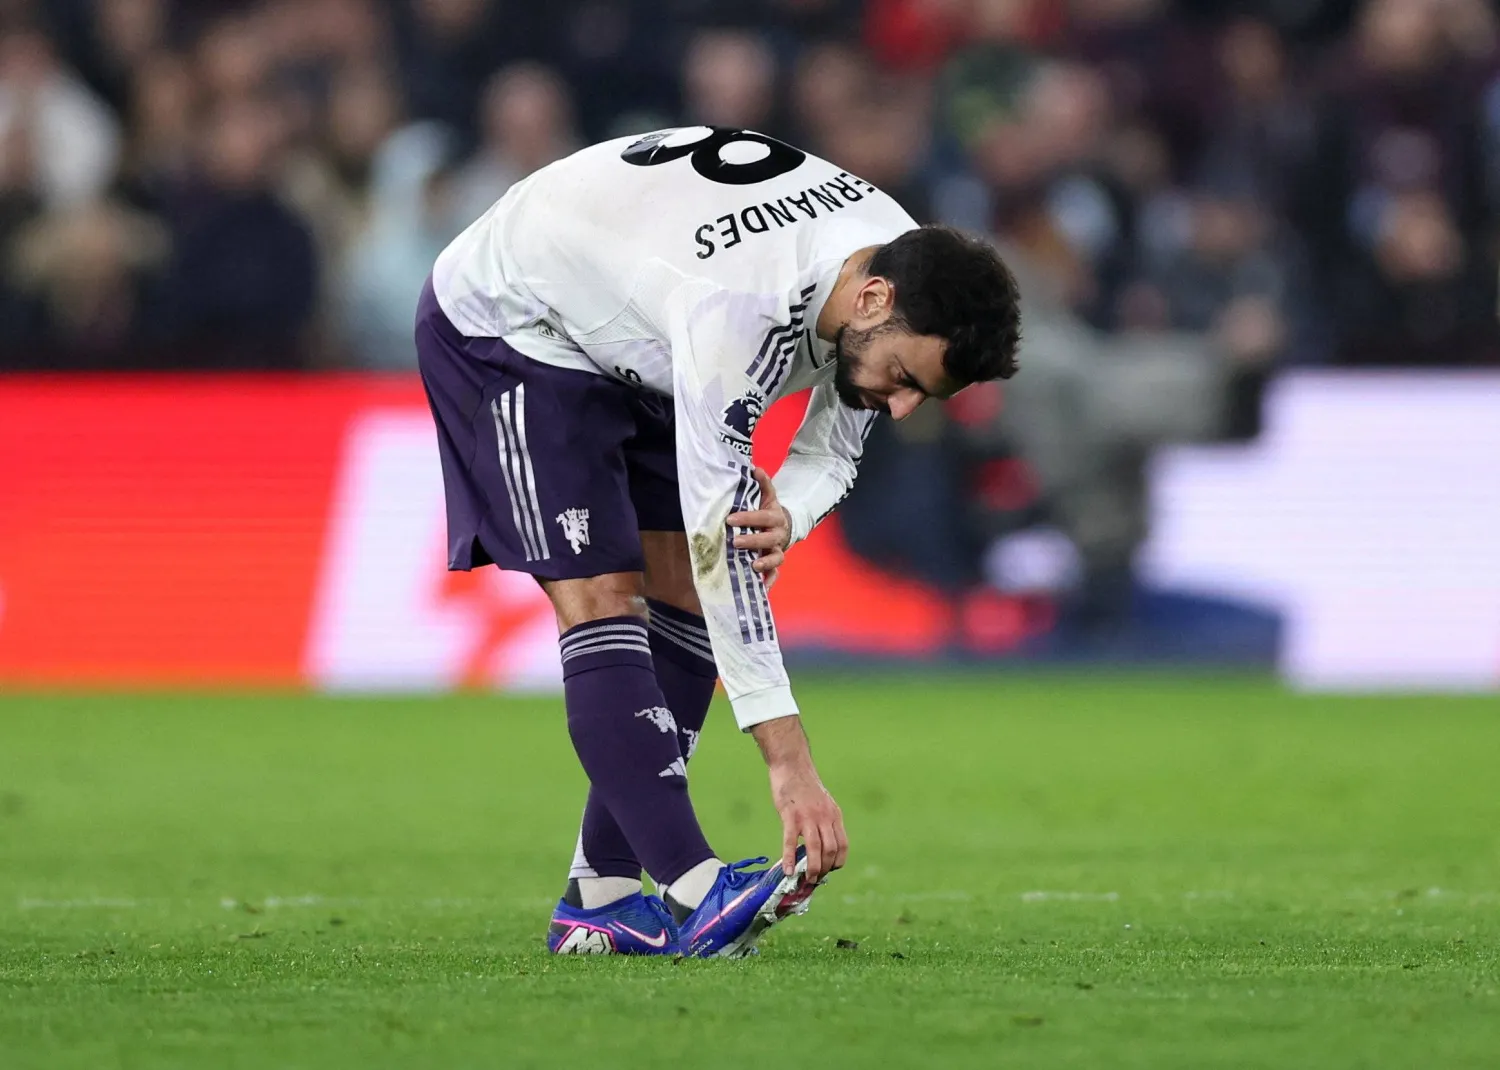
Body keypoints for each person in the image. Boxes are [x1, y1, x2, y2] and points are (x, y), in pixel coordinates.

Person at [415, 125, 1021, 958]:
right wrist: (789, 762)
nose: (905, 408)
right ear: (873, 302)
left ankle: (602, 895)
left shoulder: (889, 262)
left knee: (686, 602)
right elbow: (719, 545)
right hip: (518, 323)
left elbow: (830, 447)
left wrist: (793, 514)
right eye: (909, 380)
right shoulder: (743, 309)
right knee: (605, 597)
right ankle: (694, 887)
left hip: (638, 327)